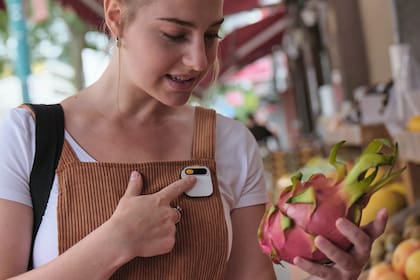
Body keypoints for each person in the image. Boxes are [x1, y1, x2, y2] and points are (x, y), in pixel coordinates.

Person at [0, 0, 387, 279]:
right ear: (116, 17)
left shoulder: (231, 143)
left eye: (211, 35)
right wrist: (113, 244)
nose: (199, 60)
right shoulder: (27, 138)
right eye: (174, 34)